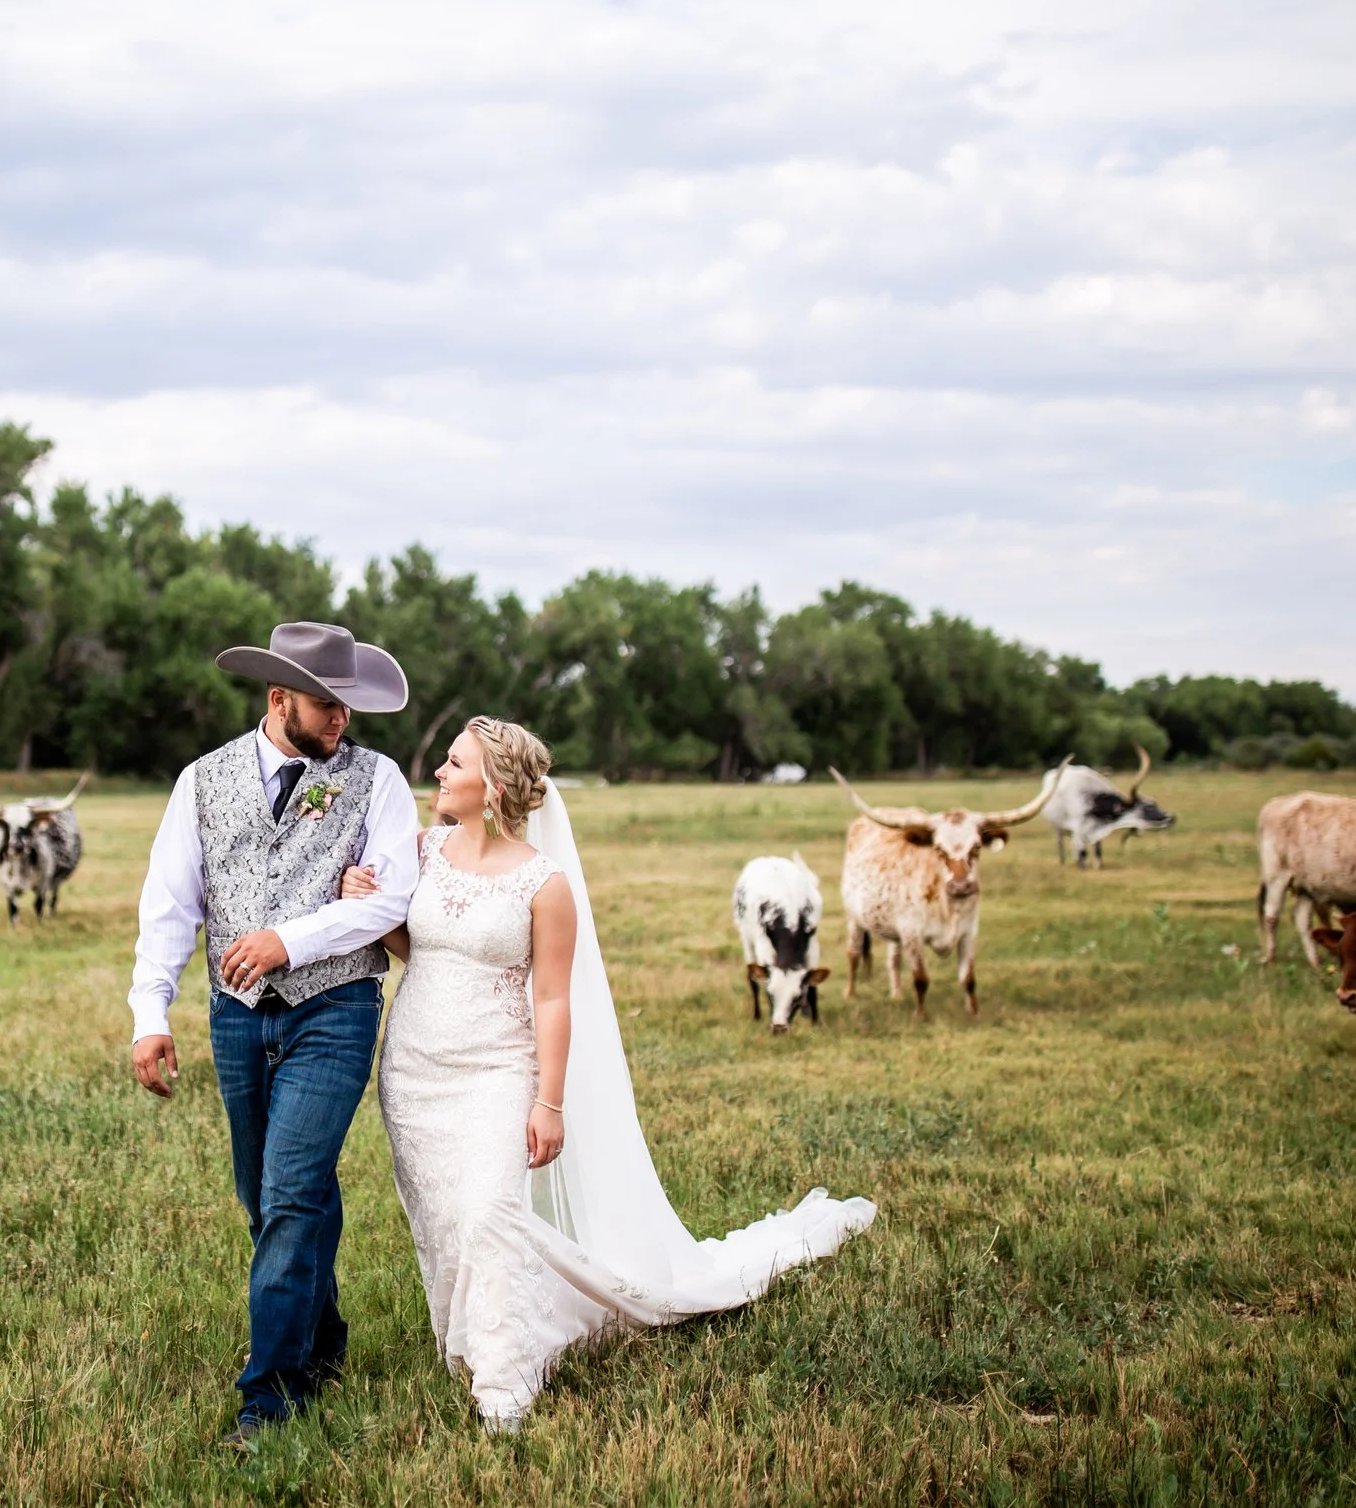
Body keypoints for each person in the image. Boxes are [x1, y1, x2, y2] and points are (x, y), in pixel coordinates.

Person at [347, 716, 877, 1431]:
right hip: (413, 1070)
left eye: (453, 763)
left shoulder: (544, 884)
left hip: (496, 1069)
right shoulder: (424, 849)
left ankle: (505, 1384)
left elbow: (554, 997)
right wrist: (368, 906)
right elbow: (425, 946)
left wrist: (549, 1101)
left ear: (493, 785)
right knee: (443, 1218)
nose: (438, 773)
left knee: (490, 1213)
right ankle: (470, 1340)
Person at [126, 621, 422, 1450]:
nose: (342, 721)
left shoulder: (379, 780)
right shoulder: (203, 779)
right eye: (328, 705)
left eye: (348, 706)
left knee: (292, 1188)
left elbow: (391, 898)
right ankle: (322, 1339)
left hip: (337, 1005)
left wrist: (290, 940)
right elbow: (170, 903)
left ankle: (270, 1399)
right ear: (278, 698)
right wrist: (151, 1014)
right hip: (235, 1014)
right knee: (266, 1196)